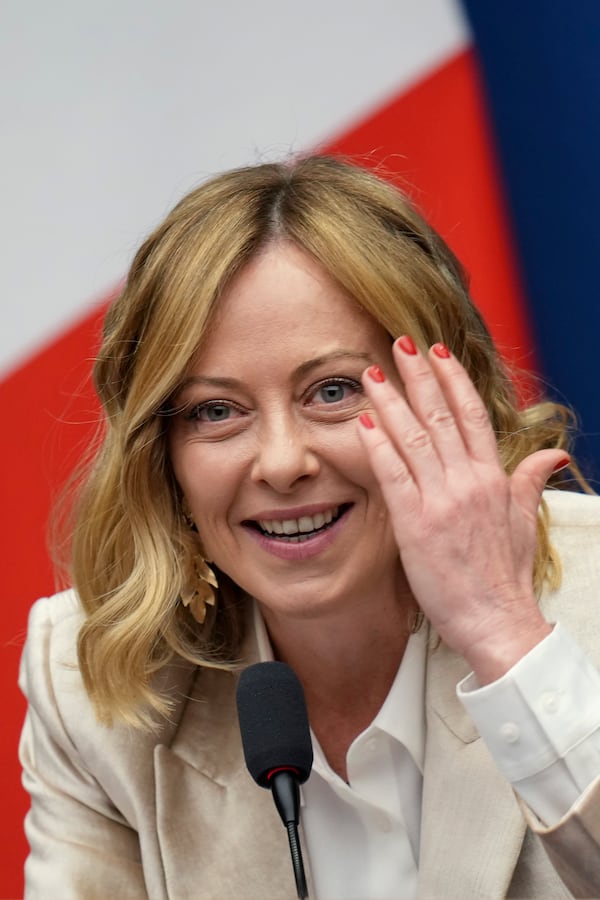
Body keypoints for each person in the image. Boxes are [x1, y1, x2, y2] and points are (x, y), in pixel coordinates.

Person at [19, 155, 600, 900]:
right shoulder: (90, 681)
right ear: (162, 461)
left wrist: (502, 634)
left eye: (332, 391)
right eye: (215, 411)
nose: (282, 464)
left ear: (453, 398)